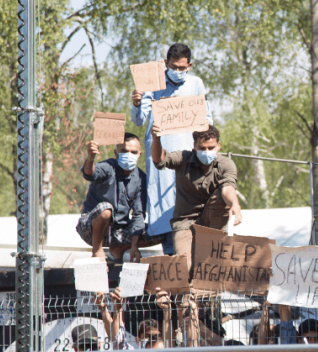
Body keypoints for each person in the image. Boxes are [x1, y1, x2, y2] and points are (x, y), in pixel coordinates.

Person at [131, 42, 214, 254]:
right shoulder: (152, 84)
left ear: (190, 65)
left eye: (182, 68)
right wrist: (137, 103)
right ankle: (171, 256)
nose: (178, 72)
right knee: (163, 202)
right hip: (161, 154)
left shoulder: (196, 84)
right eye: (174, 67)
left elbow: (206, 119)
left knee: (189, 200)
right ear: (166, 63)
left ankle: (194, 254)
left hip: (188, 154)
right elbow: (139, 121)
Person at [151, 123, 242, 266]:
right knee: (185, 268)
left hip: (213, 221)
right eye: (202, 148)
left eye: (211, 148)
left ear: (218, 145)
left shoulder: (226, 164)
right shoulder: (183, 158)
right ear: (194, 146)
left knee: (222, 197)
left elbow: (227, 188)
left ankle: (216, 243)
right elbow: (160, 160)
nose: (206, 152)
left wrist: (234, 205)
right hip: (185, 222)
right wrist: (156, 140)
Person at [77, 133, 160, 262]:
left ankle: (119, 248)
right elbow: (89, 173)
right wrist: (90, 157)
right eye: (124, 151)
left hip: (118, 232)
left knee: (160, 231)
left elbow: (138, 214)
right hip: (91, 230)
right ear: (116, 153)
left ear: (139, 154)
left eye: (133, 152)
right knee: (106, 209)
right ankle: (97, 250)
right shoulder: (108, 167)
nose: (129, 155)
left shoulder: (141, 178)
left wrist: (134, 246)